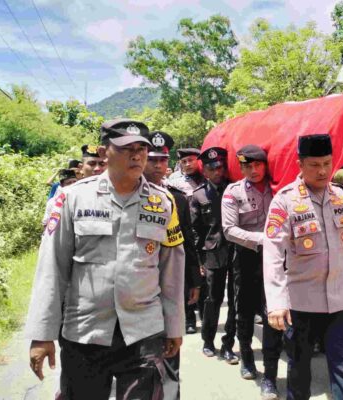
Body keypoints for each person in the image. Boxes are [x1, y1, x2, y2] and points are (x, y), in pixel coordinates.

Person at [25, 118, 186, 400]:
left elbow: (172, 269)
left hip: (143, 333)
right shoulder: (72, 198)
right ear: (103, 152)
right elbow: (52, 267)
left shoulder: (163, 202)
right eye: (126, 148)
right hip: (85, 331)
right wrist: (42, 334)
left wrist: (174, 326)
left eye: (141, 149)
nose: (136, 155)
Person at [263, 133, 343, 400]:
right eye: (314, 164)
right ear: (300, 164)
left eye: (327, 163)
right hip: (302, 303)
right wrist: (277, 302)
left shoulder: (340, 195)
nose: (323, 170)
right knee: (300, 370)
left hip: (341, 301)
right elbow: (272, 254)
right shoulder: (285, 201)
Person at [142, 130, 202, 399]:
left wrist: (194, 280)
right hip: (139, 289)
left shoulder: (176, 198)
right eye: (152, 160)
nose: (157, 166)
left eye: (163, 160)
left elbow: (186, 243)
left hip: (167, 287)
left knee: (169, 357)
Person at [222, 144, 283, 398]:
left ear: (266, 165)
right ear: (241, 167)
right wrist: (262, 239)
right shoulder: (233, 192)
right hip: (247, 258)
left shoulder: (278, 187)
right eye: (247, 166)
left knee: (274, 312)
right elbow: (228, 229)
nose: (254, 170)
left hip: (276, 259)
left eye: (258, 164)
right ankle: (246, 357)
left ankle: (270, 375)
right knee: (244, 311)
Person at [193, 147, 239, 365]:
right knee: (213, 299)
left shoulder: (234, 189)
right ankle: (208, 340)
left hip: (235, 250)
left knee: (236, 300)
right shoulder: (199, 195)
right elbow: (195, 232)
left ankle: (228, 344)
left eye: (221, 166)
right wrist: (199, 261)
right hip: (212, 253)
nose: (218, 171)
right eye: (213, 168)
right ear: (205, 171)